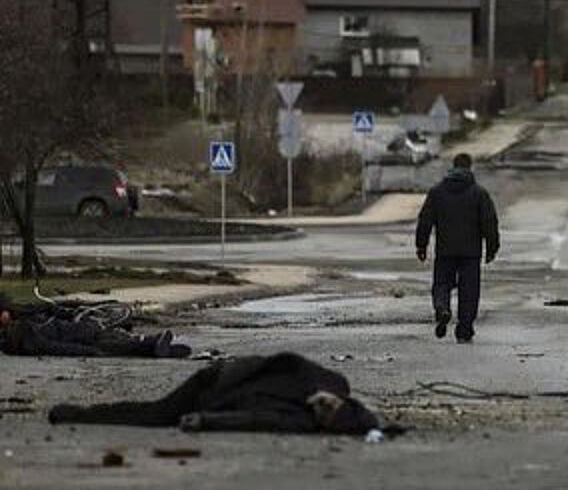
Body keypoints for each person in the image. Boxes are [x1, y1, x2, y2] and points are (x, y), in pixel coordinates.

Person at [48, 352, 384, 435]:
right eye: (331, 406)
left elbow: (255, 420)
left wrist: (207, 421)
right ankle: (77, 414)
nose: (323, 408)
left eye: (326, 416)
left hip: (218, 396)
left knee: (154, 416)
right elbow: (285, 360)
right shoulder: (330, 380)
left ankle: (77, 414)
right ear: (342, 400)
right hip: (219, 380)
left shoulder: (305, 421)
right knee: (154, 415)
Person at [416, 153, 500, 344]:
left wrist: (421, 245)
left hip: (445, 250)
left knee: (441, 284)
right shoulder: (479, 193)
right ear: (470, 168)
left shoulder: (437, 192)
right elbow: (489, 223)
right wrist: (492, 248)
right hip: (471, 253)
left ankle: (442, 308)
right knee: (469, 290)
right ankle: (464, 329)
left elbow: (425, 220)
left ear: (452, 167)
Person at [0, 303, 190, 358]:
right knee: (109, 344)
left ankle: (152, 346)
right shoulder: (20, 335)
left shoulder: (22, 320)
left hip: (76, 330)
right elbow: (52, 346)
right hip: (78, 338)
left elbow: (46, 309)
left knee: (112, 342)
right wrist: (86, 352)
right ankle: (150, 343)